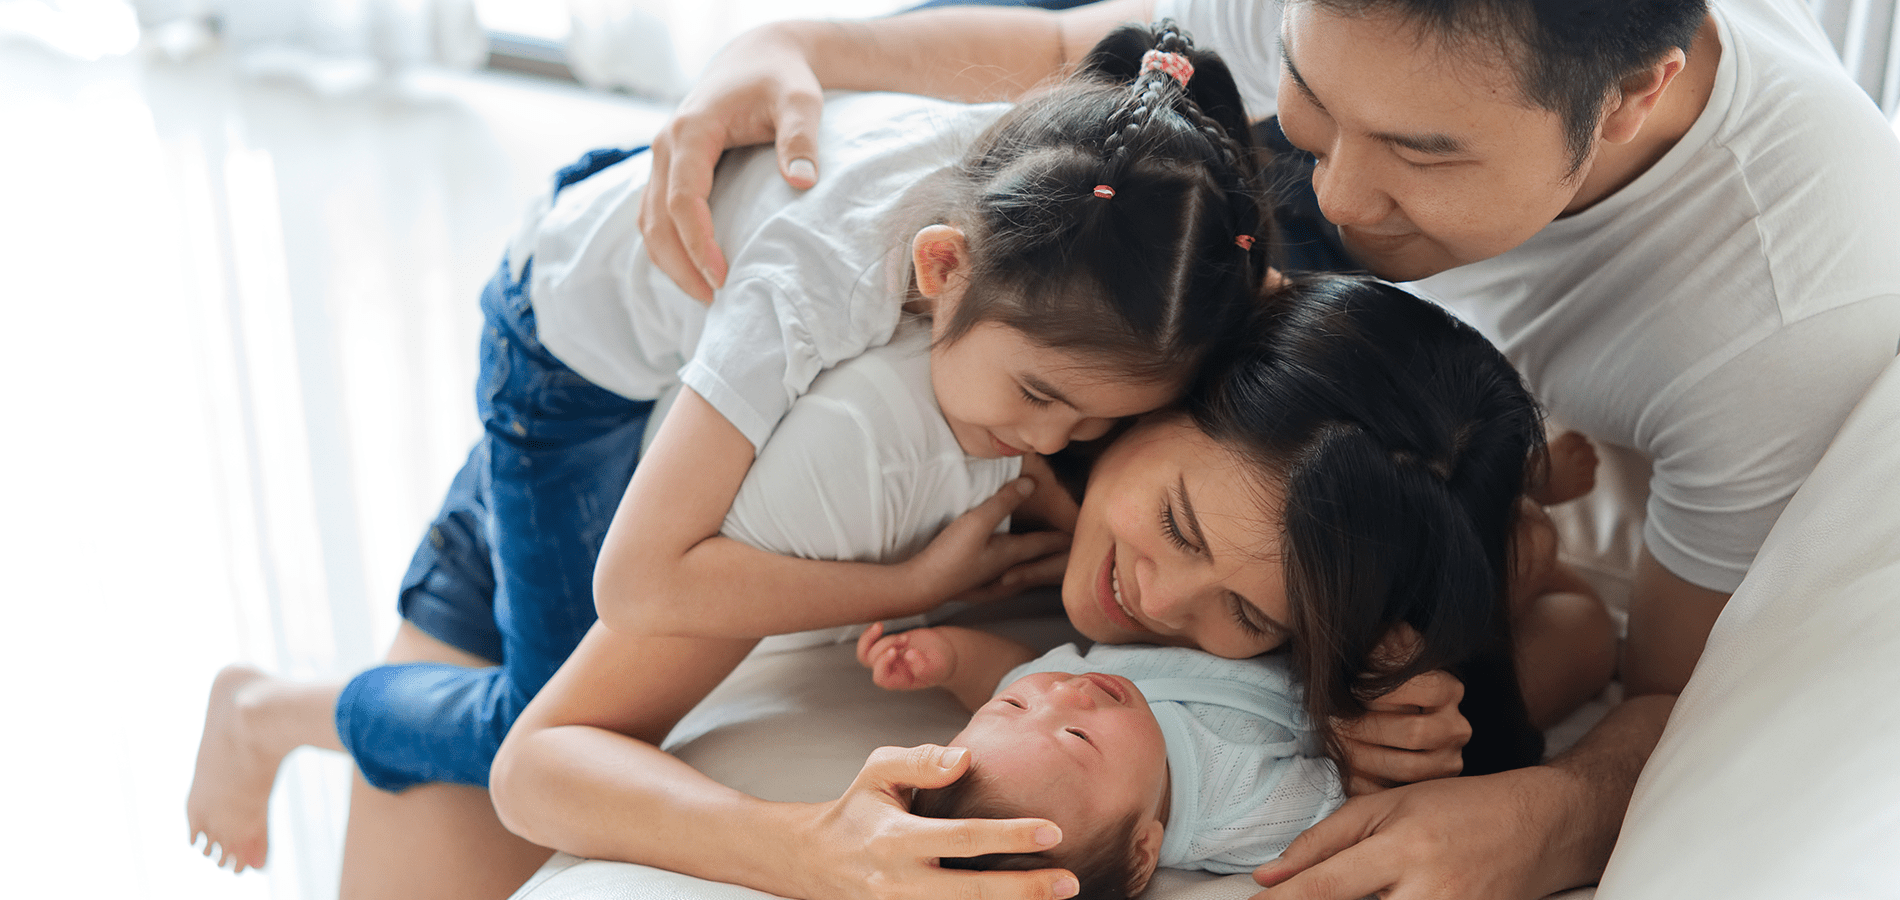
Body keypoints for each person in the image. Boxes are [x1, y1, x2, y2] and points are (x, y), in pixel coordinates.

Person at [635, 0, 1900, 895]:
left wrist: (1549, 813)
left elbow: (1667, 684)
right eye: (1308, 104)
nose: (1333, 198)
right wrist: (794, 40)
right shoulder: (903, 413)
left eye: (1420, 151)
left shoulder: (1783, 321)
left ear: (1633, 99)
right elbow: (1086, 53)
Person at [186, 21, 1272, 896]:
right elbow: (639, 578)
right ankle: (272, 711)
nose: (1044, 445)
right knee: (526, 712)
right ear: (940, 267)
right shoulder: (810, 289)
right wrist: (912, 583)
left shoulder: (1093, 196)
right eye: (1037, 399)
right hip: (562, 346)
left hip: (683, 245)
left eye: (1088, 430)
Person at [491, 273, 1593, 900]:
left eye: (1250, 618)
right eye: (1174, 522)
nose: (1163, 605)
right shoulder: (885, 450)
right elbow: (537, 765)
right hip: (590, 416)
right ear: (1176, 387)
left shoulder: (1367, 504)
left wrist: (1370, 720)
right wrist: (808, 848)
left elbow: (1557, 620)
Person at [862, 625, 1345, 899]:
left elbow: (1011, 670)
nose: (1064, 691)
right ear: (1141, 853)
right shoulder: (1239, 810)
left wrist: (954, 662)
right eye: (1078, 736)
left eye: (1010, 706)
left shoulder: (1053, 698)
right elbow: (1360, 790)